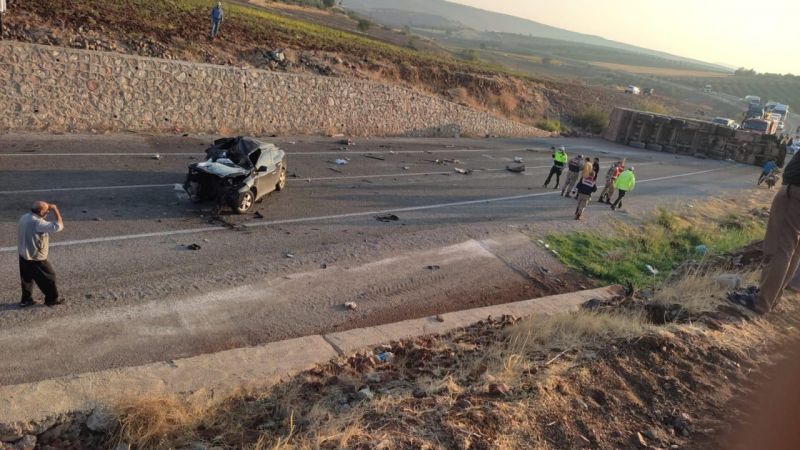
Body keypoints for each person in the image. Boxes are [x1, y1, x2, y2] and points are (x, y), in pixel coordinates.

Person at [730, 151, 800, 314]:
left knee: (779, 249)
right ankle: (770, 296)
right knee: (793, 250)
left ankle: (761, 302)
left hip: (795, 193)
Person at [18, 201, 65, 307]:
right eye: (47, 210)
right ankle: (52, 299)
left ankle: (26, 300)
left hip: (23, 253)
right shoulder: (38, 223)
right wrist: (55, 210)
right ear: (41, 211)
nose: (48, 211)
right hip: (35, 256)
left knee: (27, 279)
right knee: (50, 276)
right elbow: (59, 226)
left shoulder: (24, 217)